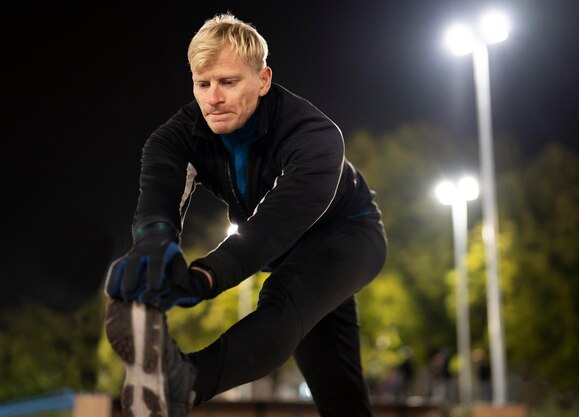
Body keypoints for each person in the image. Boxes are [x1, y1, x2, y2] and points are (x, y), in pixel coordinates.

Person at [104, 12, 387, 417]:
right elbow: (159, 199)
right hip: (289, 251)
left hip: (350, 234)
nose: (213, 98)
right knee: (337, 390)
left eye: (228, 82)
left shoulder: (314, 135)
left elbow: (273, 227)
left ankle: (184, 382)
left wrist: (203, 277)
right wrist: (152, 245)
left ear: (263, 80)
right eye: (203, 84)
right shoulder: (175, 137)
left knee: (283, 297)